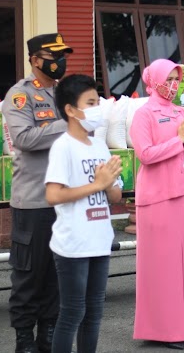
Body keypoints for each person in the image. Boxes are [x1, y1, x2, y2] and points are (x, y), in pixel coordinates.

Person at [2, 33, 72, 353]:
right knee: (29, 275)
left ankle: (48, 334)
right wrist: (69, 123)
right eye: (53, 55)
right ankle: (25, 340)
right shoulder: (20, 95)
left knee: (56, 274)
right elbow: (25, 138)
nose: (60, 61)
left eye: (63, 55)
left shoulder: (63, 94)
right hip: (32, 200)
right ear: (35, 60)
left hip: (64, 199)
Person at [45, 74, 122, 353]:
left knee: (94, 314)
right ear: (70, 110)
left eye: (98, 101)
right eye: (90, 103)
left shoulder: (100, 145)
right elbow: (53, 195)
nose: (97, 108)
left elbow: (114, 196)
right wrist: (96, 184)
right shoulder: (63, 147)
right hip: (73, 244)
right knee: (72, 313)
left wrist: (111, 183)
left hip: (100, 239)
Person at [130, 59, 184, 350]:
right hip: (157, 197)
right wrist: (179, 138)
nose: (173, 85)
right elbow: (145, 154)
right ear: (154, 80)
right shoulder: (143, 114)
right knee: (162, 266)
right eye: (167, 79)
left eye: (176, 79)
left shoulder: (183, 112)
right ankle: (162, 329)